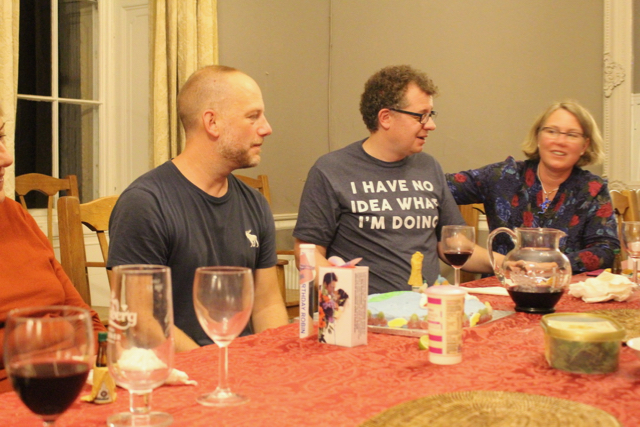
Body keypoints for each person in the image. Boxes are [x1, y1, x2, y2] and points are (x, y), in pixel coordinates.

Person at [107, 65, 289, 350]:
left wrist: (275, 362)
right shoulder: (145, 203)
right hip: (180, 369)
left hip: (242, 366)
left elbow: (267, 305)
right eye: (253, 116)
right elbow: (141, 320)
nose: (266, 128)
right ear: (212, 122)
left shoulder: (255, 203)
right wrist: (216, 369)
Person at [293, 65, 498, 294]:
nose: (431, 125)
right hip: (366, 310)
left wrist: (508, 263)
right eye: (421, 116)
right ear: (386, 118)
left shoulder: (429, 167)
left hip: (428, 306)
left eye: (431, 115)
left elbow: (454, 245)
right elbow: (306, 253)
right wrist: (344, 296)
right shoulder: (331, 170)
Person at [0, 108, 106, 393]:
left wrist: (105, 365)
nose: (7, 158)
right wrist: (56, 331)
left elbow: (83, 318)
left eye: (0, 138)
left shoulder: (15, 215)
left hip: (68, 379)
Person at [446, 100, 620, 273]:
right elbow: (440, 187)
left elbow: (606, 248)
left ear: (585, 146)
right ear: (538, 137)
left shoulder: (592, 189)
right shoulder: (504, 176)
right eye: (551, 131)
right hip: (502, 285)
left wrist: (557, 265)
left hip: (565, 286)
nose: (560, 141)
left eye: (572, 135)